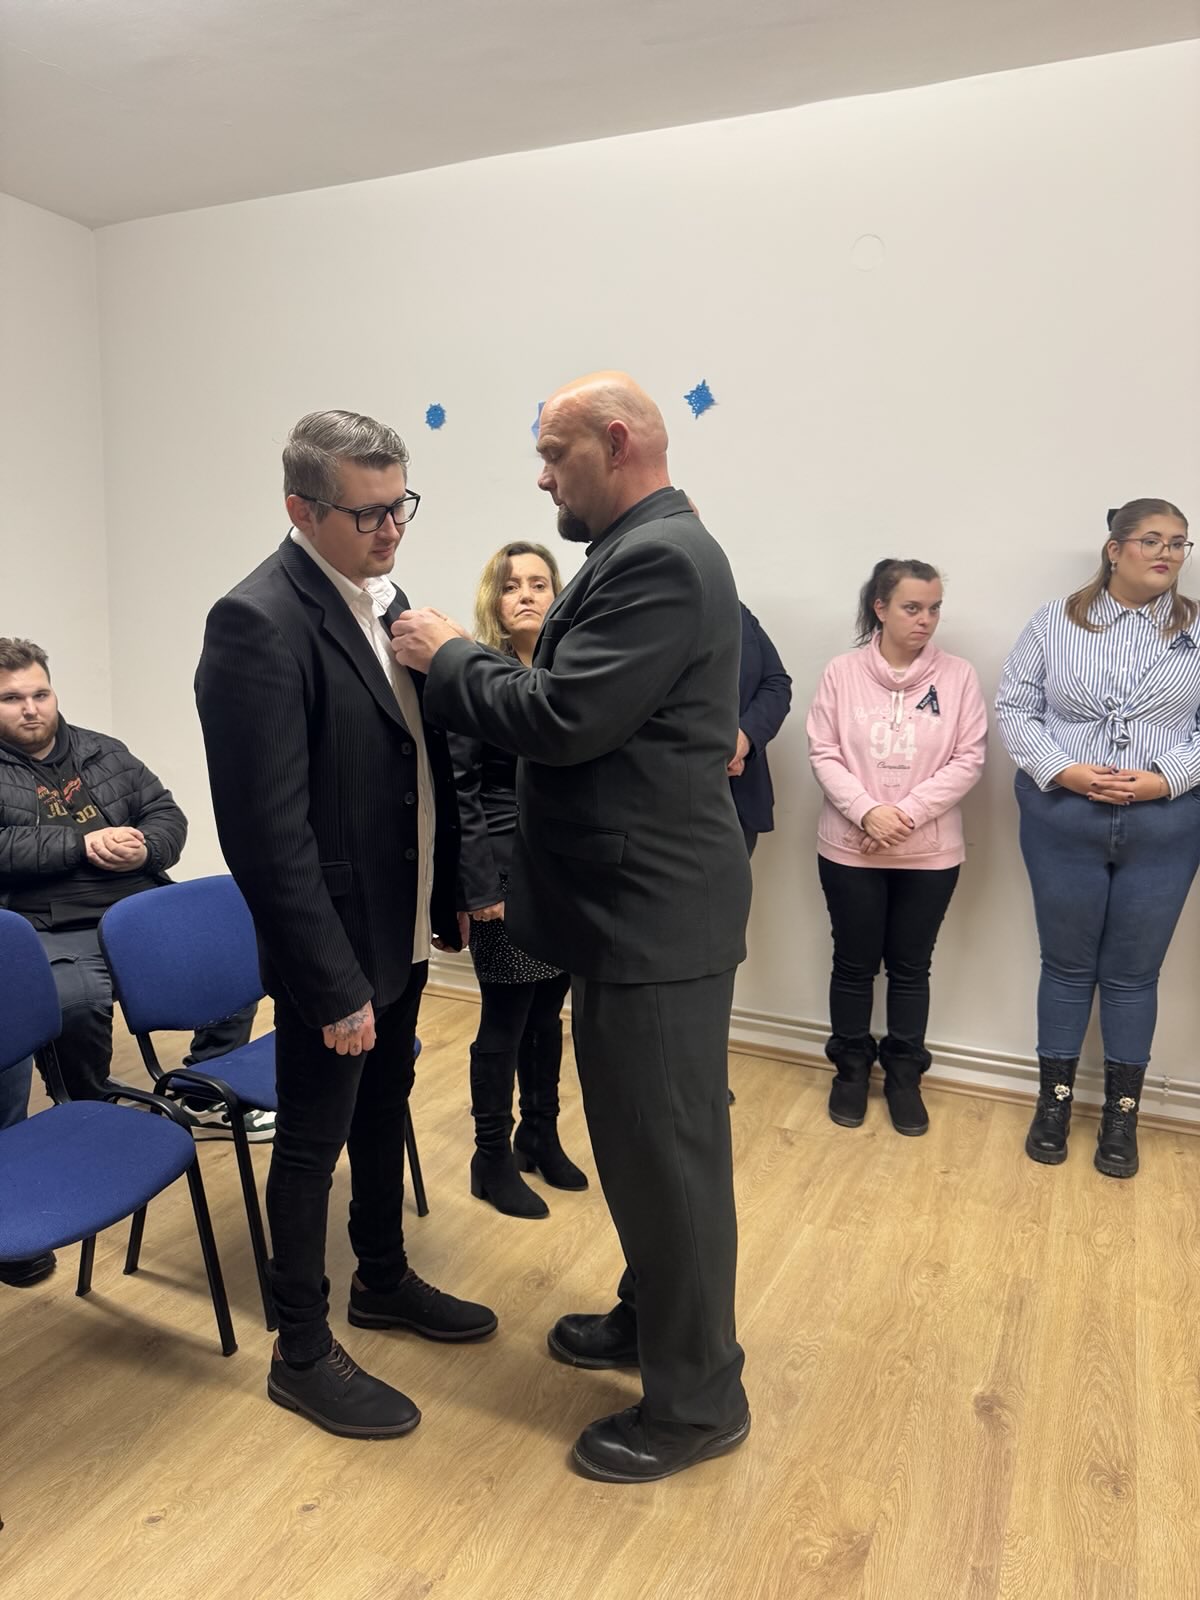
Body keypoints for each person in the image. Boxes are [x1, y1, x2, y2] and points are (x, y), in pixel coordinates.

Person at [391, 371, 752, 1485]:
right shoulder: (642, 549)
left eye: (555, 455)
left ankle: (698, 1402)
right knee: (648, 1151)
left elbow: (564, 717)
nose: (544, 478)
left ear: (617, 440)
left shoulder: (659, 558)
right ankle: (654, 1319)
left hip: (653, 917)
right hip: (631, 913)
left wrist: (450, 654)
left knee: (670, 1159)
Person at [195, 410, 496, 1442]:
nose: (391, 530)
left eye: (400, 505)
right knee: (311, 1142)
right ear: (301, 508)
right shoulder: (256, 622)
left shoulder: (394, 603)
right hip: (332, 941)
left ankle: (381, 1277)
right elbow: (266, 836)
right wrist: (329, 983)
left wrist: (451, 889)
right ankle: (300, 1350)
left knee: (385, 1107)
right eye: (368, 513)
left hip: (398, 920)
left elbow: (426, 764)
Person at [0, 638, 261, 1288]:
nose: (31, 708)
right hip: (48, 919)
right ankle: (91, 1109)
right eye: (12, 698)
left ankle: (200, 1091)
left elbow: (166, 812)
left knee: (229, 952)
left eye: (40, 693)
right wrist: (80, 842)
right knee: (76, 1002)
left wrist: (147, 844)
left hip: (136, 901)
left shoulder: (101, 750)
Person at [996, 499, 1200, 1179]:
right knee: (1065, 966)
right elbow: (1015, 707)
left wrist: (1164, 779)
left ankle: (1121, 1117)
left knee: (1134, 974)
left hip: (1165, 826)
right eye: (1152, 540)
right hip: (1063, 818)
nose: (1167, 554)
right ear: (1115, 549)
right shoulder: (1053, 622)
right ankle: (1053, 1106)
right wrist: (1067, 771)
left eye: (1179, 543)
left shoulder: (1196, 628)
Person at [806, 561, 987, 1136]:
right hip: (850, 850)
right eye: (912, 607)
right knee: (853, 964)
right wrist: (867, 811)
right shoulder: (841, 673)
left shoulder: (958, 676)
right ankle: (851, 1070)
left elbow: (969, 758)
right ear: (880, 608)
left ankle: (905, 1076)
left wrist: (904, 815)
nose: (925, 620)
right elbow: (824, 751)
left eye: (934, 608)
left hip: (928, 854)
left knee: (911, 967)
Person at [450, 541, 586, 1219]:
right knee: (505, 1020)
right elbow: (462, 789)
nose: (526, 595)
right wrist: (480, 890)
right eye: (511, 585)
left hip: (561, 874)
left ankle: (540, 1133)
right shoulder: (478, 675)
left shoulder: (570, 673)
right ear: (493, 601)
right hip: (502, 873)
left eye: (538, 583)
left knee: (548, 1013)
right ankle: (490, 1157)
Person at [728, 603, 792, 858]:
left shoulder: (736, 610)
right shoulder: (642, 608)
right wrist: (712, 750)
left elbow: (776, 684)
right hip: (661, 807)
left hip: (737, 802)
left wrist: (743, 739)